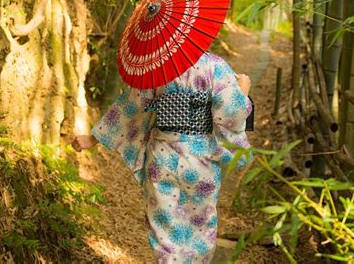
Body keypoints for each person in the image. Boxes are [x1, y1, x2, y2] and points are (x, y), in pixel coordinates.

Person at [72, 52, 251, 263]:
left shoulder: (157, 67)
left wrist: (93, 139)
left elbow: (130, 106)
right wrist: (243, 93)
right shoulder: (215, 66)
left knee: (164, 233)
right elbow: (232, 114)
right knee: (201, 230)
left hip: (162, 156)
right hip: (200, 159)